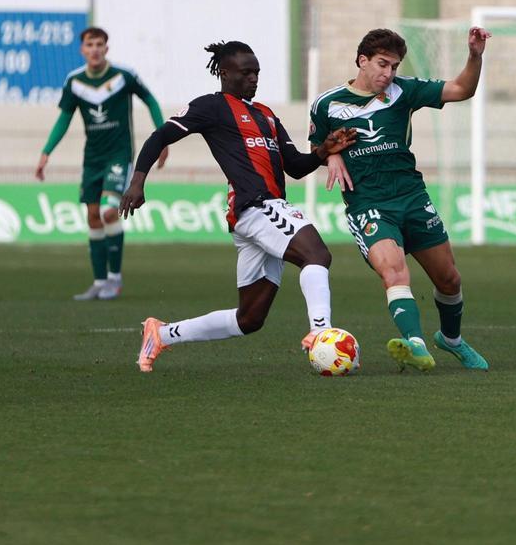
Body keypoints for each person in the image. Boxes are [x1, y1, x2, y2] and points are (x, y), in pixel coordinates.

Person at [119, 40, 356, 373]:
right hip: (255, 206)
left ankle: (162, 334)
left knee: (249, 318)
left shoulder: (267, 115)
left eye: (256, 72)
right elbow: (160, 136)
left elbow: (294, 166)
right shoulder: (211, 107)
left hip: (262, 212)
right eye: (245, 72)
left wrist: (321, 152)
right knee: (316, 254)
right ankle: (321, 333)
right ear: (225, 73)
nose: (253, 78)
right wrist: (137, 182)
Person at [309, 27, 491, 373]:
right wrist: (329, 156)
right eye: (382, 64)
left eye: (394, 66)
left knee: (449, 279)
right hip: (368, 204)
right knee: (394, 272)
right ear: (362, 60)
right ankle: (415, 344)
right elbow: (317, 145)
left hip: (411, 197)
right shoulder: (327, 103)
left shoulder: (403, 91)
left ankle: (451, 339)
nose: (388, 73)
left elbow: (461, 89)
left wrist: (474, 55)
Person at [35, 27, 167, 301]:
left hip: (119, 154)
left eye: (99, 44)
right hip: (92, 158)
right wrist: (47, 151)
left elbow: (150, 100)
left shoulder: (123, 76)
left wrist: (162, 137)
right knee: (93, 216)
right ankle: (99, 282)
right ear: (82, 49)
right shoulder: (75, 82)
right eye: (89, 44)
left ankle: (115, 279)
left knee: (109, 211)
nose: (94, 49)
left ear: (106, 48)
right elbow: (64, 118)